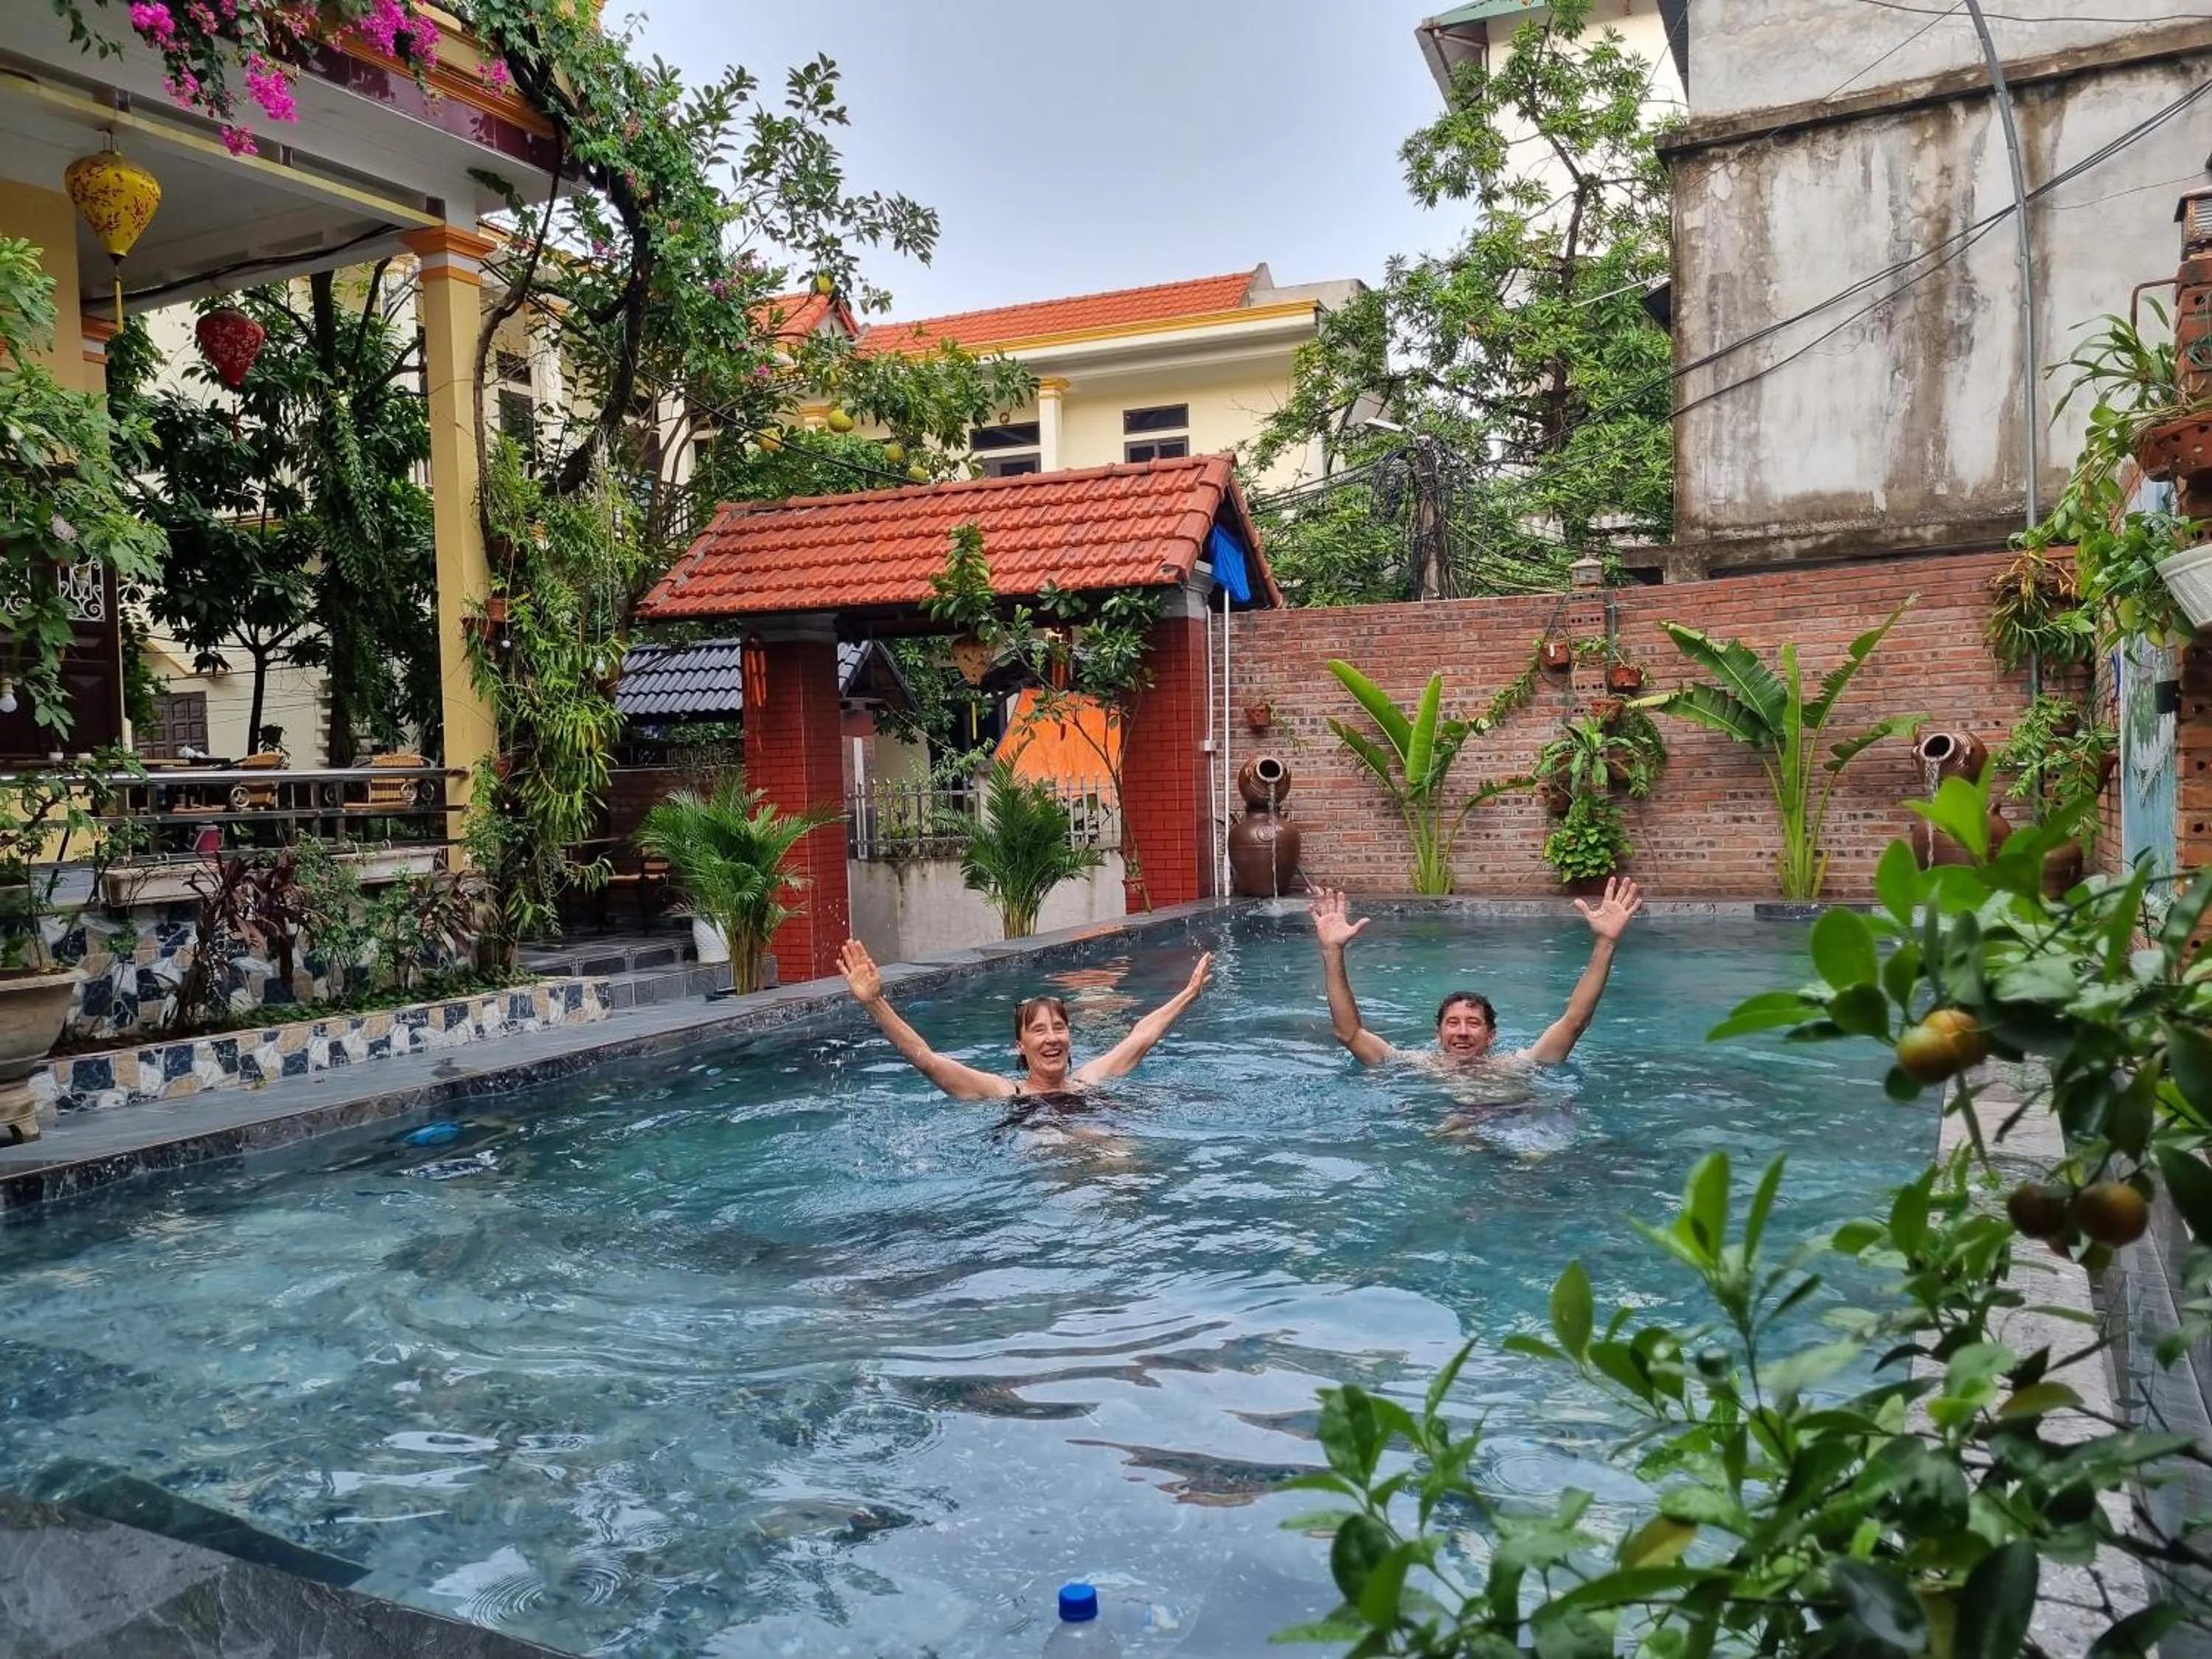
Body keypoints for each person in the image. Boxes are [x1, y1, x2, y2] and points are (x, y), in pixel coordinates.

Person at [1309, 877, 1644, 1070]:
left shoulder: (1516, 1066)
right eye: (1453, 1023)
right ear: (1438, 1033)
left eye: (1473, 1023)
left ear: (1492, 1035)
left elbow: (1575, 1022)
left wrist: (1606, 942)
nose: (1463, 1032)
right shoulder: (1417, 1066)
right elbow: (1349, 1034)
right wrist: (1332, 952)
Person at [835, 938, 1214, 1101]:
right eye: (1039, 1030)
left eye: (1059, 1028)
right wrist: (875, 1003)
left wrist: (1188, 994)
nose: (1052, 1038)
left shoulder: (1088, 1081)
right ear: (1020, 1045)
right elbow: (928, 1061)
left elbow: (1141, 1037)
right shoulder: (1006, 1093)